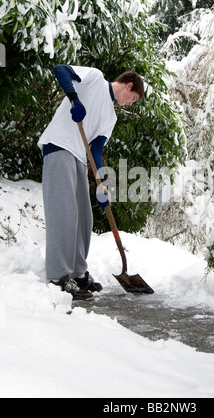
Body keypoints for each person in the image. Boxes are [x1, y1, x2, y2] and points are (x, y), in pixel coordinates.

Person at [38, 64, 144, 300]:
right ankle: (59, 277)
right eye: (133, 98)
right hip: (59, 145)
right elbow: (60, 70)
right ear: (128, 85)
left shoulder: (111, 116)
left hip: (77, 155)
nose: (130, 103)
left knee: (84, 216)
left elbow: (96, 150)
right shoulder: (95, 78)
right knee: (64, 212)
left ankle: (78, 273)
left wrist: (100, 184)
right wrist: (74, 99)